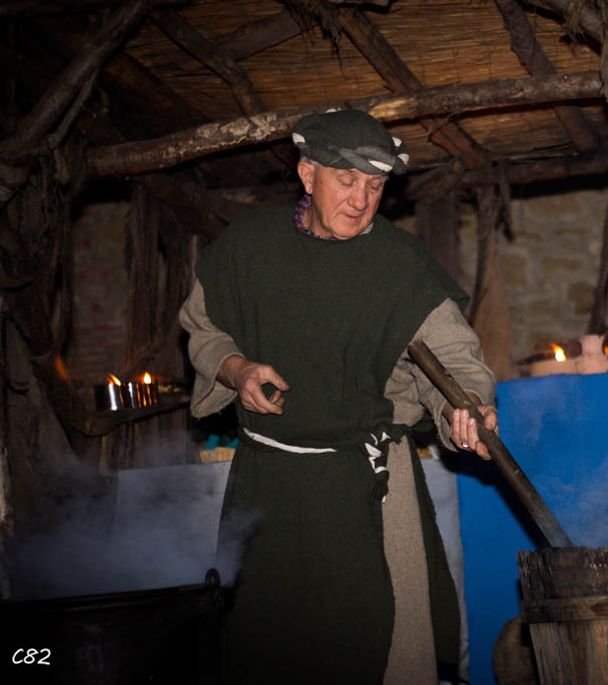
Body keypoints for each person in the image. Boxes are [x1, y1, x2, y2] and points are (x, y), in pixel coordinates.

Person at [178, 109, 498, 684]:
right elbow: (204, 330)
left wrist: (466, 406)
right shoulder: (249, 247)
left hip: (370, 478)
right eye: (347, 181)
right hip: (271, 484)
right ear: (308, 174)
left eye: (375, 186)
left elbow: (454, 362)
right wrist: (235, 369)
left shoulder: (400, 265)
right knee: (272, 643)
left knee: (392, 650)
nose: (361, 200)